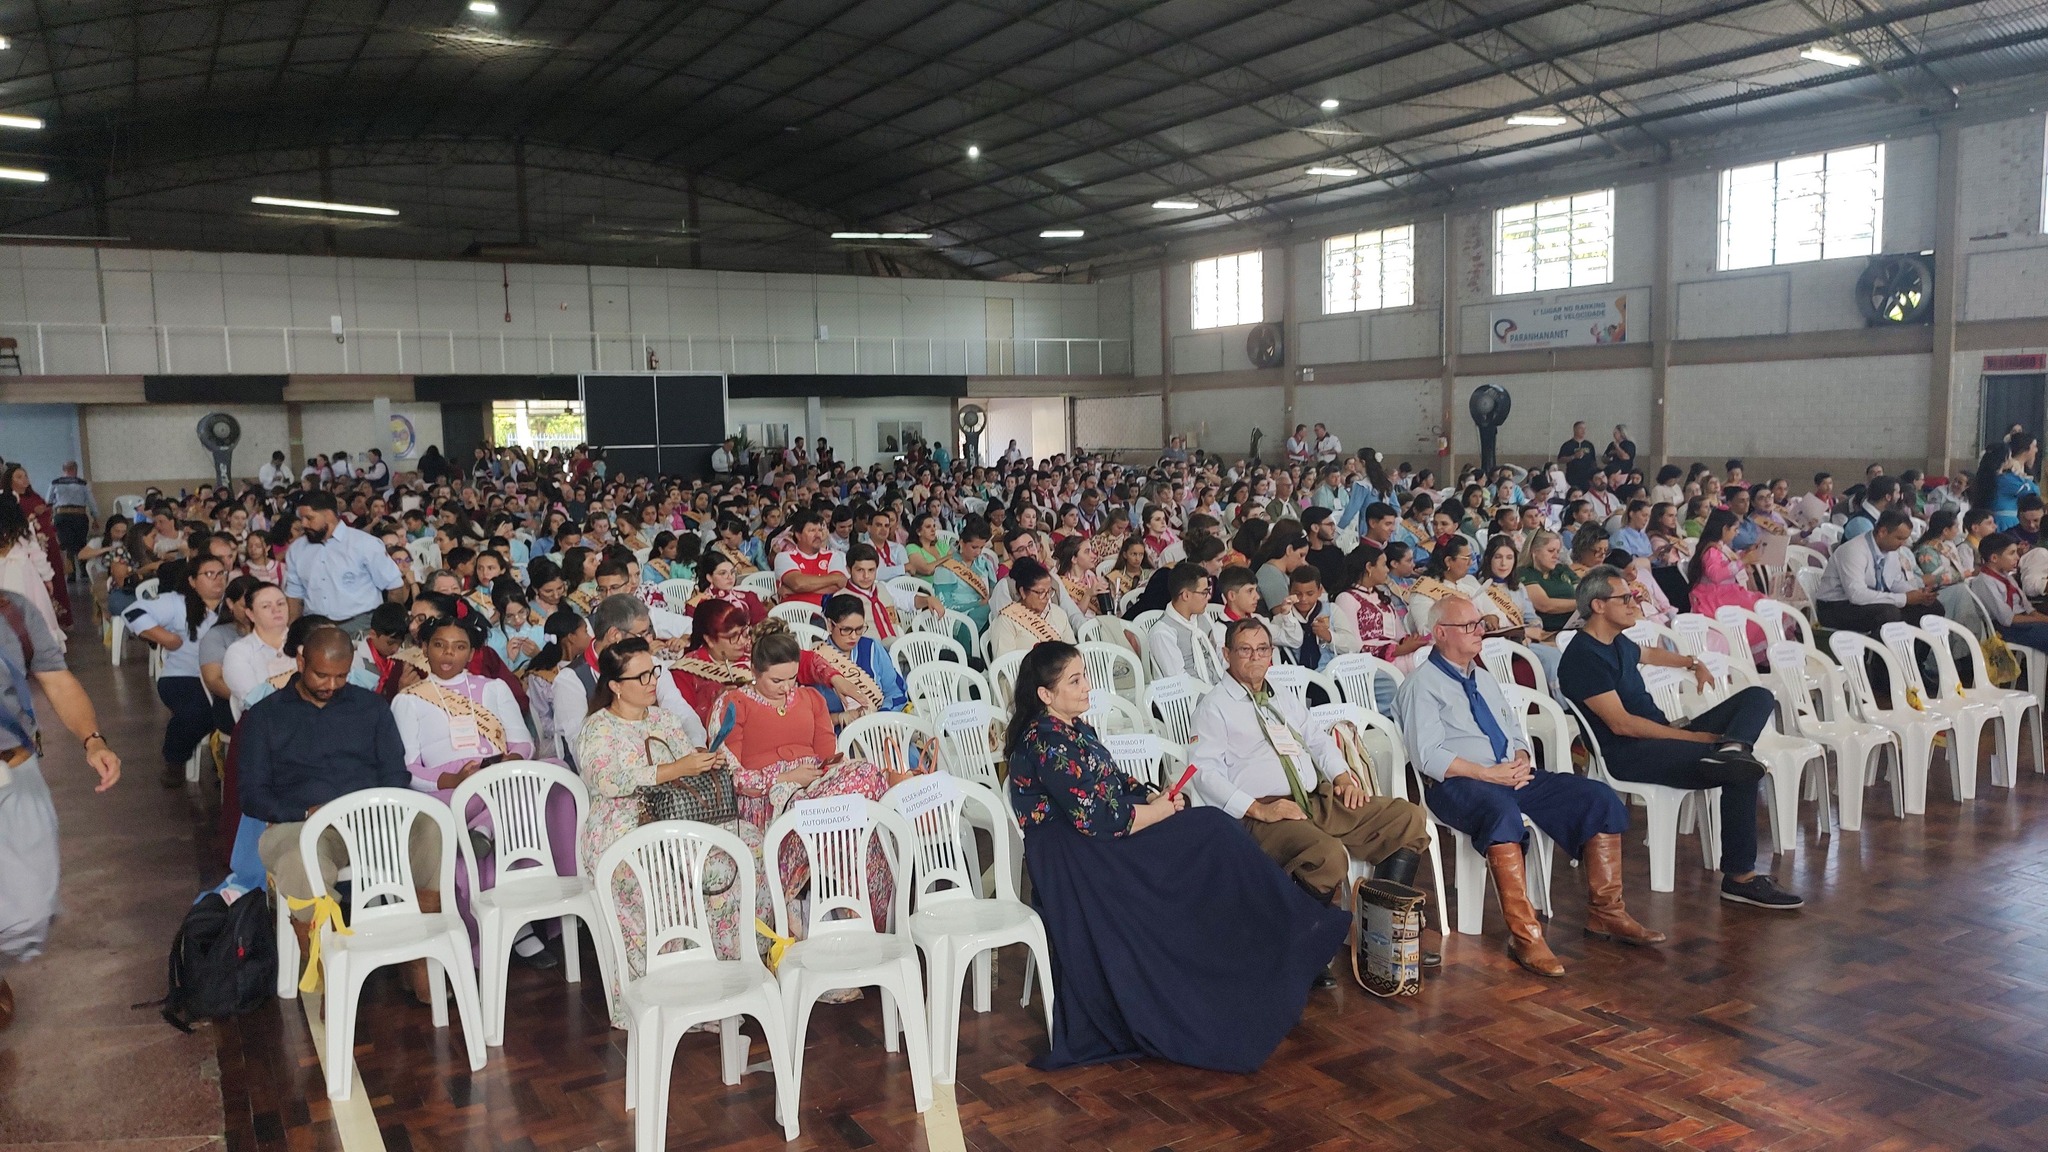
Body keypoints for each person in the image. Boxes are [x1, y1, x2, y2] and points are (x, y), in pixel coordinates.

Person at [1004, 641, 1349, 1072]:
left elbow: (1113, 780)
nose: (1088, 686)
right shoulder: (1045, 740)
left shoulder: (1074, 728)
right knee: (1211, 833)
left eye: (1085, 675)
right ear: (1045, 694)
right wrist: (1160, 810)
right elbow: (1098, 818)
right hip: (1075, 855)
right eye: (1075, 680)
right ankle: (1274, 942)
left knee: (1211, 832)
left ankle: (1268, 946)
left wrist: (1152, 793)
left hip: (1098, 838)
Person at [1399, 595, 1658, 977]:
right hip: (1458, 784)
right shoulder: (1422, 685)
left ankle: (1607, 912)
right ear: (1440, 634)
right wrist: (1489, 775)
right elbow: (1427, 757)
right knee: (1501, 811)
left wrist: (1520, 757)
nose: (1479, 631)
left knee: (1596, 797)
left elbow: (1512, 732)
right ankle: (1526, 935)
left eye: (1480, 623)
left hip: (1509, 776)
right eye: (1468, 626)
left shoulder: (1483, 677)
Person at [1190, 617, 1435, 977]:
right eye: (1245, 650)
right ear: (1226, 654)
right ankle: (1304, 948)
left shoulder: (1280, 694)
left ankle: (1380, 940)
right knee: (1327, 856)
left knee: (1408, 818)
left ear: (1271, 654)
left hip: (1313, 798)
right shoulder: (1214, 706)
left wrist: (1342, 776)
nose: (1255, 658)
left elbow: (1317, 739)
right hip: (1263, 812)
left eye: (1262, 649)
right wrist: (1259, 808)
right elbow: (1204, 772)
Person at [1557, 566, 1802, 909]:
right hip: (1631, 754)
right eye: (1625, 598)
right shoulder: (1583, 659)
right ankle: (1739, 878)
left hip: (1664, 740)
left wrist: (1692, 662)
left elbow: (1649, 654)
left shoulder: (1616, 642)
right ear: (1598, 606)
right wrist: (1694, 738)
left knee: (1758, 697)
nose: (1634, 604)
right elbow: (1622, 725)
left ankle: (1732, 748)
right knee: (1741, 769)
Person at [241, 626, 437, 983]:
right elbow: (252, 794)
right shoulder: (265, 716)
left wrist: (378, 807)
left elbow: (395, 774)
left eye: (341, 676)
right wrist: (304, 813)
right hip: (302, 823)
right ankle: (331, 970)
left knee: (431, 828)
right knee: (299, 862)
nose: (331, 685)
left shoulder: (371, 708)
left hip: (371, 818)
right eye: (321, 675)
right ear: (300, 661)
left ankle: (419, 953)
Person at [577, 637, 749, 1028]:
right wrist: (675, 769)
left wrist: (705, 761)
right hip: (621, 829)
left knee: (735, 861)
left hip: (673, 823)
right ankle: (654, 998)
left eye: (654, 672)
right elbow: (608, 780)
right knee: (657, 880)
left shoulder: (663, 719)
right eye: (641, 676)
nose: (652, 681)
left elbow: (684, 764)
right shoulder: (598, 728)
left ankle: (713, 985)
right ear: (616, 686)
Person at [717, 620, 895, 947]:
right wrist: (785, 777)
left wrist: (823, 773)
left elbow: (828, 757)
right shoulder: (734, 703)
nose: (787, 688)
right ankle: (837, 917)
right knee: (845, 828)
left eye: (792, 679)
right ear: (754, 671)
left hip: (815, 790)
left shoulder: (811, 698)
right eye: (776, 680)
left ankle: (851, 923)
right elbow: (733, 775)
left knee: (866, 775)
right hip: (769, 798)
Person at [0, 585, 121, 1029]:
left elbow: (57, 681)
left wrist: (93, 741)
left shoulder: (12, 612)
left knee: (30, 908)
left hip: (13, 773)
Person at [123, 555, 233, 786]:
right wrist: (167, 638)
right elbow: (132, 613)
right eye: (209, 574)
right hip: (184, 676)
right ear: (192, 581)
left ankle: (227, 763)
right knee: (198, 712)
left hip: (226, 677)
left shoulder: (233, 604)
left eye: (221, 573)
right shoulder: (177, 603)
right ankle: (175, 759)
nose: (217, 580)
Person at [284, 490, 404, 637]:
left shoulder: (364, 543)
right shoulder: (297, 549)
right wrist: (291, 630)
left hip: (361, 625)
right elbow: (295, 594)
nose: (303, 524)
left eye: (309, 518)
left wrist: (391, 628)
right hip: (315, 627)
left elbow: (394, 586)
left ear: (328, 515)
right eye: (301, 518)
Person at [1813, 509, 1942, 635]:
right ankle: (1879, 656)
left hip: (1868, 602)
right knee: (1888, 614)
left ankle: (1912, 655)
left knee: (1933, 608)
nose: (1903, 544)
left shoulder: (1891, 551)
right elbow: (1857, 595)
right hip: (1835, 607)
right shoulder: (1854, 550)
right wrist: (1905, 598)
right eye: (1899, 538)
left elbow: (1894, 582)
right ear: (1882, 532)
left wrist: (1916, 594)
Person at [803, 592, 908, 720]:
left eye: (859, 629)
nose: (853, 636)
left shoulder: (872, 648)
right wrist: (839, 717)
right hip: (838, 731)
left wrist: (882, 716)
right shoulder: (817, 658)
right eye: (846, 630)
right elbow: (811, 714)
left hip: (880, 726)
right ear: (830, 624)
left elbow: (895, 690)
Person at [4, 466, 69, 629]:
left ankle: (60, 618)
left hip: (46, 544)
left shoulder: (34, 496)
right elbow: (18, 526)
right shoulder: (8, 502)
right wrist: (31, 514)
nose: (24, 479)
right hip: (25, 553)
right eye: (19, 477)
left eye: (25, 475)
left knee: (54, 580)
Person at [1146, 563, 1224, 682]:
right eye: (1204, 592)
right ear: (1186, 595)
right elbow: (1179, 681)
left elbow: (1219, 651)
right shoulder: (1163, 632)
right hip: (1194, 696)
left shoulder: (1202, 616)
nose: (1208, 597)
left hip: (1220, 687)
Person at [1969, 533, 2048, 651]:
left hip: (2024, 622)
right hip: (2006, 629)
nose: (2017, 557)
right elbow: (2007, 619)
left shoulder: (2006, 576)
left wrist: (2042, 618)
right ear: (1994, 558)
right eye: (2012, 553)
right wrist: (2043, 620)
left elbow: (2028, 608)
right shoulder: (1984, 582)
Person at [988, 557, 1077, 659]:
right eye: (1040, 592)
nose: (1047, 598)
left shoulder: (1058, 613)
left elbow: (1072, 652)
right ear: (1022, 592)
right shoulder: (1006, 620)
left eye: (1049, 592)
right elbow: (1004, 665)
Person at [931, 515, 997, 633]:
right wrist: (978, 604)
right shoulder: (946, 569)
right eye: (974, 547)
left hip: (986, 614)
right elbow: (945, 607)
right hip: (959, 621)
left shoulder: (984, 563)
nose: (978, 552)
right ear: (961, 543)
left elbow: (994, 591)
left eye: (981, 547)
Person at [45, 462, 94, 580]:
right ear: (75, 470)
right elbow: (91, 502)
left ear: (64, 470)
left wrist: (49, 517)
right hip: (79, 516)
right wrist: (95, 517)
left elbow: (48, 501)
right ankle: (84, 572)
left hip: (62, 516)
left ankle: (70, 574)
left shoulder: (55, 483)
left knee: (66, 545)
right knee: (81, 543)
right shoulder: (82, 484)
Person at [1557, 420, 1597, 492]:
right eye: (1581, 428)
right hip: (1572, 477)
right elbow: (1560, 460)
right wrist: (1573, 456)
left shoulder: (1589, 445)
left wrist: (1594, 476)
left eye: (1584, 429)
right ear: (1575, 429)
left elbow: (1593, 462)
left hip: (1587, 478)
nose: (1583, 431)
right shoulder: (1568, 445)